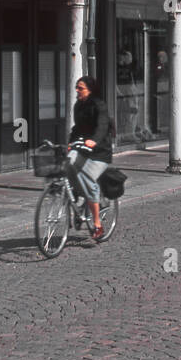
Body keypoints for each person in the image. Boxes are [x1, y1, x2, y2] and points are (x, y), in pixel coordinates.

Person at [67, 75, 113, 241]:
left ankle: (97, 225)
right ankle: (78, 199)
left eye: (81, 88)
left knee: (87, 178)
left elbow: (102, 126)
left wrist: (94, 140)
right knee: (68, 163)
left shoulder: (99, 105)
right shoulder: (78, 106)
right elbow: (77, 128)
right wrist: (70, 143)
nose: (77, 91)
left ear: (90, 90)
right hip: (84, 148)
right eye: (77, 88)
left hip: (100, 151)